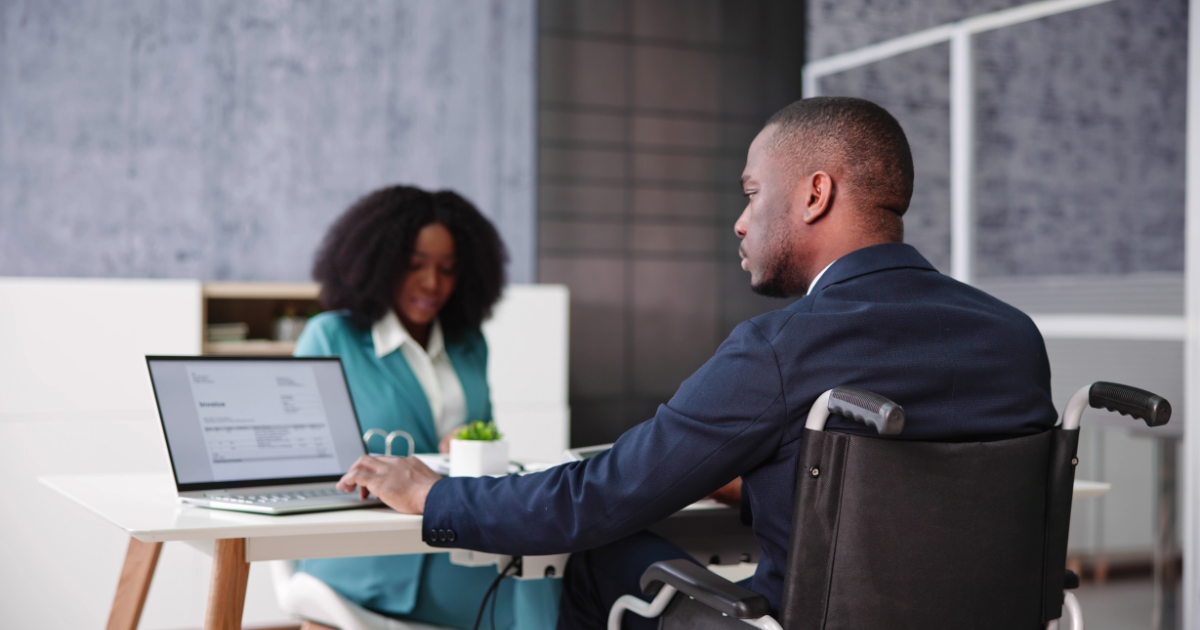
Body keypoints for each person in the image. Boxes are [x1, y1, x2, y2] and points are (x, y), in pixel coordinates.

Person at [333, 97, 1060, 629]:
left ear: (815, 193)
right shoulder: (1012, 336)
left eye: (751, 193)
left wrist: (436, 496)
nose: (741, 220)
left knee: (599, 555)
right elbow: (921, 505)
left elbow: (600, 497)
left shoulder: (781, 348)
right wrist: (768, 483)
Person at [293, 185, 560, 630]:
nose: (432, 284)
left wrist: (470, 446)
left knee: (551, 569)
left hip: (458, 547)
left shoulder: (468, 345)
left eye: (448, 269)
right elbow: (307, 459)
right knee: (539, 587)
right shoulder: (330, 339)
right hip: (372, 561)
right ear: (379, 262)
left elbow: (487, 444)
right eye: (415, 265)